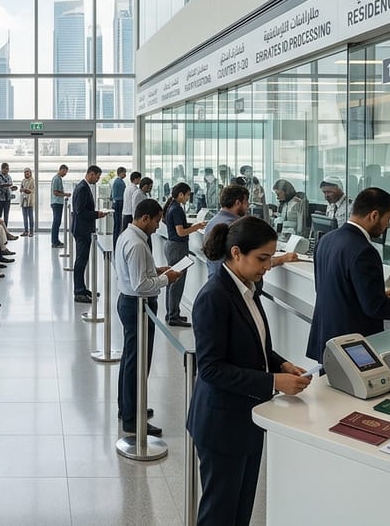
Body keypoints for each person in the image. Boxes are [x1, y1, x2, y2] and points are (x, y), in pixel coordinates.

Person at [189, 217, 312, 525]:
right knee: (220, 513)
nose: (269, 265)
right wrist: (273, 381)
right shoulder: (214, 296)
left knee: (240, 511)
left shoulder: (249, 287)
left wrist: (279, 362)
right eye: (262, 258)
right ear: (236, 253)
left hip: (247, 417)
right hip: (221, 422)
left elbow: (254, 341)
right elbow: (211, 369)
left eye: (271, 257)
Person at [306, 188, 390, 362]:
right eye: (389, 219)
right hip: (352, 346)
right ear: (374, 215)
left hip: (327, 337)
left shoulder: (327, 239)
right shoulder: (364, 250)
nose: (388, 226)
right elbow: (375, 308)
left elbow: (329, 288)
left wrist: (373, 292)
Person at [115, 198, 181, 436]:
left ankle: (128, 407)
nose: (157, 226)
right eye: (156, 221)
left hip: (130, 302)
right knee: (137, 362)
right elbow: (141, 284)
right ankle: (133, 418)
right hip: (137, 304)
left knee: (131, 359)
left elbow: (140, 274)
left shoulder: (129, 237)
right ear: (145, 218)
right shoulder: (137, 244)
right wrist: (167, 279)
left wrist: (157, 271)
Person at [163, 182, 205, 327]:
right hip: (177, 247)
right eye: (187, 195)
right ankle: (173, 316)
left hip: (174, 247)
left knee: (172, 282)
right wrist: (195, 228)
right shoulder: (175, 209)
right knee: (176, 282)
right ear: (181, 194)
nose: (188, 198)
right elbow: (180, 232)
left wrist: (194, 226)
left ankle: (172, 313)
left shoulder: (174, 207)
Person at [71, 165, 108, 304]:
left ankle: (82, 288)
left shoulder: (84, 187)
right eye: (97, 176)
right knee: (81, 261)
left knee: (83, 260)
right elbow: (80, 211)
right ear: (91, 174)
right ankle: (79, 292)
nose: (98, 179)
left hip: (83, 229)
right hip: (82, 230)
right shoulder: (82, 188)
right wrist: (97, 214)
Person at [50, 164, 69, 247]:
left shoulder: (58, 179)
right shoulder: (57, 179)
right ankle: (55, 242)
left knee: (57, 222)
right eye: (65, 172)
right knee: (56, 222)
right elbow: (55, 192)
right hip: (56, 203)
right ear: (61, 169)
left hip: (58, 203)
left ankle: (56, 240)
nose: (65, 174)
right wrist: (65, 194)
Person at [0, 162, 16, 227]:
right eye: (5, 169)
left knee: (6, 215)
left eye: (8, 169)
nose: (7, 170)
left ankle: (5, 230)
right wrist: (0, 187)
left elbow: (10, 186)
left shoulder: (9, 177)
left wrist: (12, 188)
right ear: (2, 169)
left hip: (7, 198)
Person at [121, 170, 143, 235]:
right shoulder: (135, 190)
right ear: (135, 179)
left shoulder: (127, 187)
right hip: (131, 214)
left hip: (125, 213)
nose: (140, 180)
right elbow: (134, 204)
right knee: (131, 234)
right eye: (139, 179)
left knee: (125, 233)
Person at [110, 166, 127, 241]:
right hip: (119, 203)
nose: (125, 174)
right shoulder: (120, 182)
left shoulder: (115, 181)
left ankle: (116, 239)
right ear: (120, 173)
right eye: (124, 173)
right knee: (118, 224)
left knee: (117, 223)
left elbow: (112, 195)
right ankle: (116, 239)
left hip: (116, 203)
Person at [19, 167, 36, 236]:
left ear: (30, 173)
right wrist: (22, 190)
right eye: (25, 172)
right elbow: (21, 189)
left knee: (30, 216)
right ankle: (26, 231)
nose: (26, 173)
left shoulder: (32, 180)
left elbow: (33, 190)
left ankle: (31, 231)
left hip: (29, 200)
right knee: (24, 217)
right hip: (24, 200)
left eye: (27, 172)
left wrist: (26, 190)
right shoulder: (23, 180)